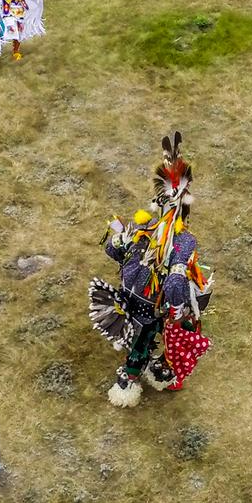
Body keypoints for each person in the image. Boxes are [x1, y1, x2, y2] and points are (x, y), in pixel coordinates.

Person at [88, 132, 212, 407]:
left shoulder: (145, 228)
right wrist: (178, 312)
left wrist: (119, 238)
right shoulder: (184, 240)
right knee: (141, 346)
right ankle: (128, 382)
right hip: (150, 307)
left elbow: (113, 252)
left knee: (138, 340)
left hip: (127, 298)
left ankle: (145, 369)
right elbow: (175, 284)